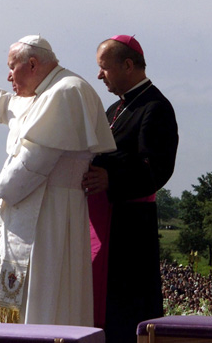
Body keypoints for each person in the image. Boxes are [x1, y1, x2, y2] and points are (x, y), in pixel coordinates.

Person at [0, 35, 116, 326]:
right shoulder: (44, 92)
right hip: (38, 208)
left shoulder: (66, 91)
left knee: (47, 297)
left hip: (51, 214)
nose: (8, 75)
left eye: (12, 67)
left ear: (32, 64)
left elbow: (37, 157)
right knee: (32, 297)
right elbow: (1, 104)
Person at [82, 35, 179, 342]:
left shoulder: (155, 107)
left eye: (103, 68)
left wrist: (112, 179)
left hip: (131, 228)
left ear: (127, 65)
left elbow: (157, 168)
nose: (99, 76)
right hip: (102, 218)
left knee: (126, 309)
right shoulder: (114, 109)